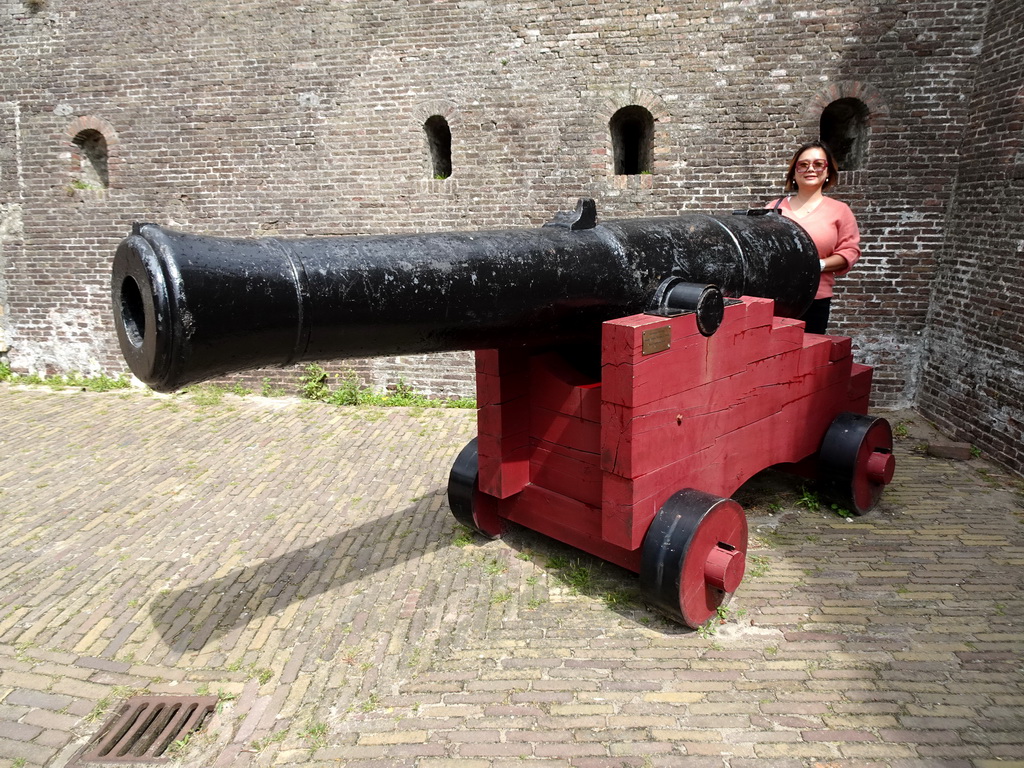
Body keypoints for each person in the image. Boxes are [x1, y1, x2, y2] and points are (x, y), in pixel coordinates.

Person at [768, 140, 861, 334]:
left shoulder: (839, 211)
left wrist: (818, 265)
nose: (811, 169)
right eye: (803, 165)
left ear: (828, 172)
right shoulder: (773, 209)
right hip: (773, 298)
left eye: (818, 164)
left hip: (815, 300)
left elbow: (850, 251)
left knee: (808, 358)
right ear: (794, 172)